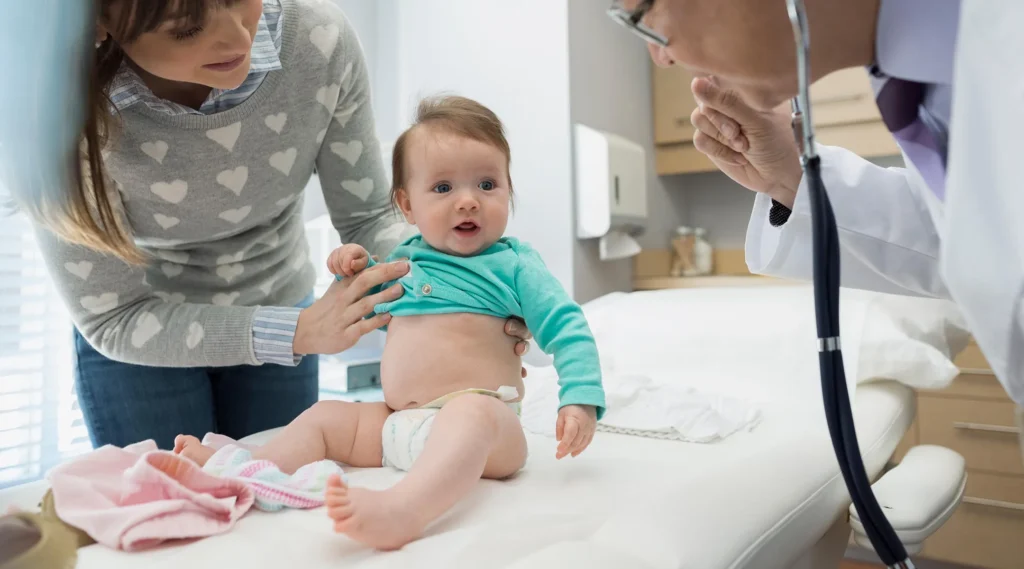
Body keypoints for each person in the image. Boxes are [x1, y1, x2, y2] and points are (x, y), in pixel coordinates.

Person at [3, 0, 531, 451]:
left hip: (281, 306)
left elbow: (369, 216)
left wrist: (464, 289)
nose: (239, 37)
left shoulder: (319, 44)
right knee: (167, 524)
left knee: (275, 506)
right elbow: (115, 317)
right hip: (144, 341)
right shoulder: (57, 114)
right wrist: (298, 332)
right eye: (186, 27)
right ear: (100, 21)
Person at [173, 95, 605, 551]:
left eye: (487, 184)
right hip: (397, 423)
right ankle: (246, 465)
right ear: (407, 205)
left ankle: (404, 510)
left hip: (488, 432)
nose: (467, 202)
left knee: (470, 413)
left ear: (508, 190)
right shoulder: (403, 263)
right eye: (443, 189)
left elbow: (566, 324)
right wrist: (350, 268)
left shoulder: (513, 266)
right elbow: (365, 309)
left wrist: (579, 398)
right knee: (326, 416)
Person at [607, 2, 1024, 416]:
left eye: (642, 15)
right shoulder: (924, 77)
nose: (661, 56)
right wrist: (791, 178)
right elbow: (966, 238)